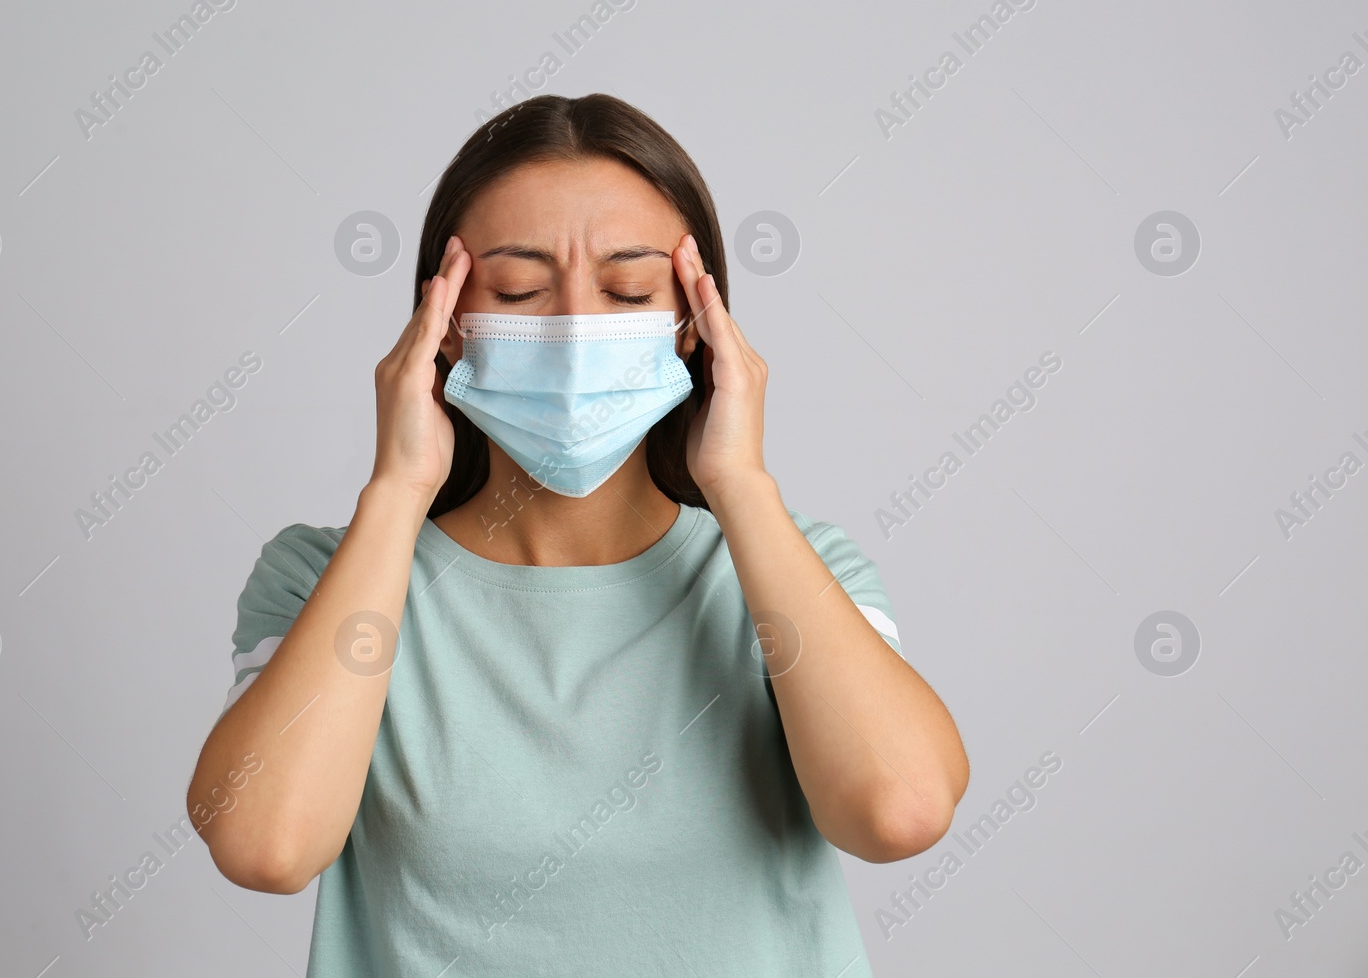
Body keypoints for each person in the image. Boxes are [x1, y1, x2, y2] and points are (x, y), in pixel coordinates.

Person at [187, 93, 969, 976]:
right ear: (439, 324)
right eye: (519, 289)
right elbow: (264, 846)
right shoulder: (322, 577)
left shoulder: (801, 571)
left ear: (694, 320)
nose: (572, 327)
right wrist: (399, 490)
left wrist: (742, 486)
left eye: (628, 288)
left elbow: (899, 813)